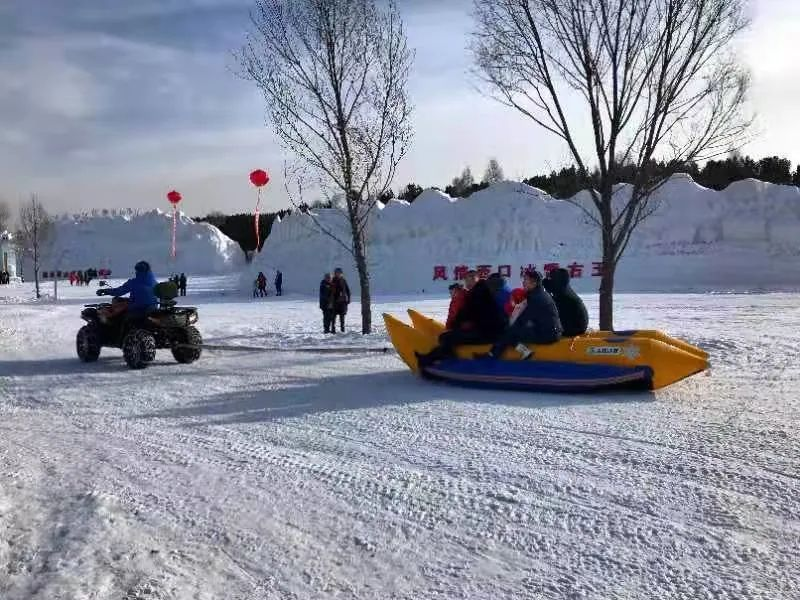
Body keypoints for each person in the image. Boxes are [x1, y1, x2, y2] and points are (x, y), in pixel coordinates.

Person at [417, 270, 507, 367]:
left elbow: (467, 314)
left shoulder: (478, 292)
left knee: (446, 338)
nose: (467, 283)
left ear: (474, 279)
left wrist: (454, 326)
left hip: (487, 333)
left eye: (468, 279)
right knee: (448, 336)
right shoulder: (482, 290)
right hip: (490, 330)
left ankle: (444, 360)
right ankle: (432, 356)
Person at [480, 269, 562, 360]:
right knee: (511, 331)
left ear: (534, 283)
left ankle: (492, 355)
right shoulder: (539, 293)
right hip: (550, 330)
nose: (523, 283)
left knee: (510, 332)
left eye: (525, 280)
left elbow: (523, 319)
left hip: (548, 334)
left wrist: (510, 327)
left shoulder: (536, 298)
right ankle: (524, 351)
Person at [543, 267, 589, 336]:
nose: (550, 280)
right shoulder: (564, 288)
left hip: (574, 329)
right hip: (579, 325)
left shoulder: (563, 295)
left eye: (551, 279)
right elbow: (550, 286)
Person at [331, 267, 350, 333]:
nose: (338, 274)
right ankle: (333, 330)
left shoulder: (343, 280)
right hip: (335, 302)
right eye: (337, 273)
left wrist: (348, 299)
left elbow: (347, 290)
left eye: (339, 273)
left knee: (342, 317)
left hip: (342, 302)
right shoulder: (333, 280)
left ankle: (342, 330)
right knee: (333, 317)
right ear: (335, 273)